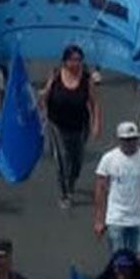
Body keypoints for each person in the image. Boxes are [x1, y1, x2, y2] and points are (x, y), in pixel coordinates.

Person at [41, 45, 100, 206]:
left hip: (79, 125)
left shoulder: (86, 79)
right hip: (57, 124)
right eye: (73, 60)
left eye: (79, 60)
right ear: (65, 61)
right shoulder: (55, 75)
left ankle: (72, 182)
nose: (76, 63)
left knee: (77, 159)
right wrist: (43, 111)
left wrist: (96, 123)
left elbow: (94, 103)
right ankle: (64, 193)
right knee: (62, 157)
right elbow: (45, 97)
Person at [94, 121, 140, 262]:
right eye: (126, 140)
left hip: (139, 217)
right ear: (119, 140)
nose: (130, 143)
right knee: (119, 260)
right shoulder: (108, 159)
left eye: (132, 139)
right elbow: (100, 190)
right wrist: (100, 219)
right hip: (116, 217)